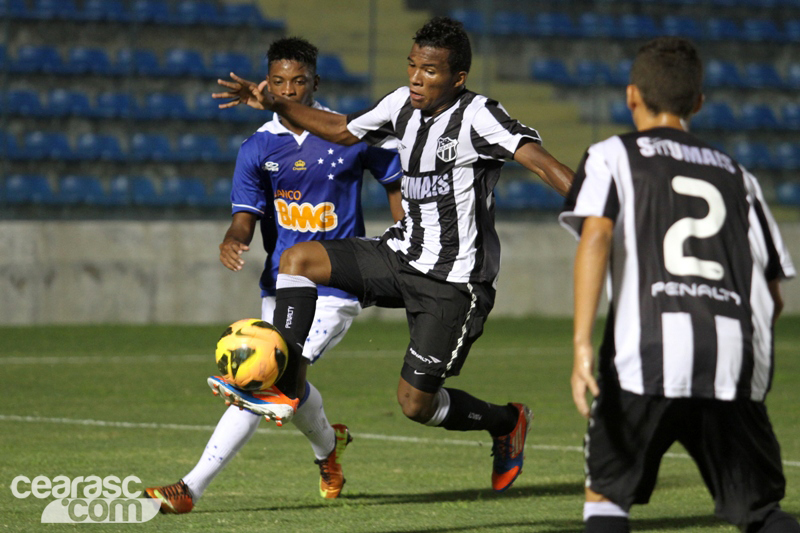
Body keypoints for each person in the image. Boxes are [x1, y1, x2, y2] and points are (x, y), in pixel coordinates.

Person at [211, 16, 574, 492]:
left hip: (452, 281)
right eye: (412, 66)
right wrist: (277, 102)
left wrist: (601, 214)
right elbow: (341, 130)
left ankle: (507, 421)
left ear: (457, 78)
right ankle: (283, 377)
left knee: (415, 405)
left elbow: (543, 164)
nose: (416, 79)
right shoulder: (401, 103)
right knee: (298, 259)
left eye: (430, 71)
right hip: (400, 254)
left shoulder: (479, 116)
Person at [144, 36, 403, 514]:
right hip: (282, 285)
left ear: (315, 83)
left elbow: (394, 179)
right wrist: (233, 237)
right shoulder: (258, 146)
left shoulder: (347, 135)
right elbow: (246, 215)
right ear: (267, 83)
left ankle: (189, 489)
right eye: (279, 82)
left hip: (338, 286)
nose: (288, 90)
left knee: (261, 377)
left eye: (298, 82)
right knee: (288, 382)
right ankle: (330, 449)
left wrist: (403, 236)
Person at [560, 36, 799, 532]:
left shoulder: (612, 155)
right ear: (698, 103)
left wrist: (582, 345)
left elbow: (596, 236)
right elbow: (773, 296)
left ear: (631, 96)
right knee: (760, 513)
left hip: (645, 354)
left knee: (607, 496)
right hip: (732, 358)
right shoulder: (739, 175)